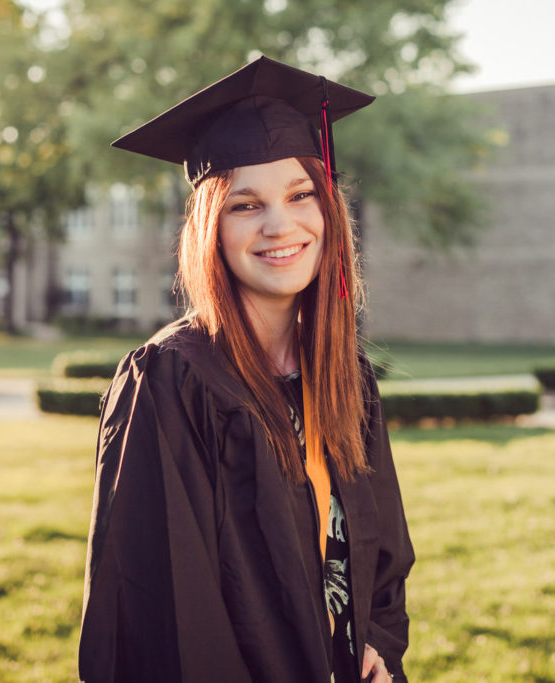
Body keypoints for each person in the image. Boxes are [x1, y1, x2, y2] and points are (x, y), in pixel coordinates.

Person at [78, 56, 415, 683]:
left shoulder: (345, 374)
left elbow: (382, 545)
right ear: (211, 229)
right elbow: (155, 612)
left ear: (328, 210)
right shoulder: (170, 381)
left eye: (300, 194)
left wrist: (374, 639)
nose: (279, 225)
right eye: (245, 205)